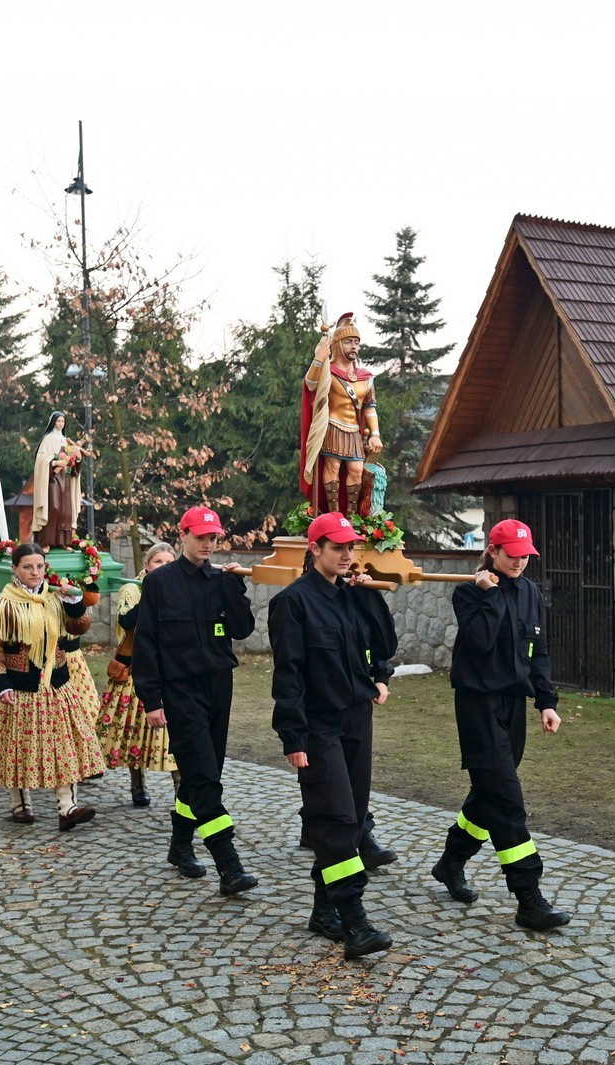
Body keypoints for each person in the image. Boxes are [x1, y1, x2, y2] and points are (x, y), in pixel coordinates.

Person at [430, 519, 569, 932]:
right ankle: (529, 896)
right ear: (493, 551)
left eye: (526, 555)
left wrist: (546, 702)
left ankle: (451, 862)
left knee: (489, 791)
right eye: (512, 554)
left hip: (512, 704)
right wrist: (489, 595)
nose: (520, 562)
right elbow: (479, 642)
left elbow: (537, 650)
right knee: (507, 800)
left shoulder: (530, 592)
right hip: (477, 704)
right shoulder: (468, 593)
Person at [270, 512, 398, 958]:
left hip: (357, 719)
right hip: (318, 725)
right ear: (315, 549)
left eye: (350, 547)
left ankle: (323, 911)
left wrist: (370, 597)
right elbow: (288, 674)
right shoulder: (293, 602)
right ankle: (355, 922)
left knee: (354, 816)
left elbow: (384, 647)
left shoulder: (353, 595)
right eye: (337, 547)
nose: (346, 555)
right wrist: (293, 736)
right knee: (336, 817)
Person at [135, 508, 260, 896]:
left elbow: (242, 628)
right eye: (201, 536)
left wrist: (235, 588)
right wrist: (151, 698)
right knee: (204, 774)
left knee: (203, 771)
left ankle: (179, 845)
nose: (207, 544)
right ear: (183, 535)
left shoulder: (221, 579)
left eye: (213, 538)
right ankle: (228, 864)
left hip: (219, 685)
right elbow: (146, 643)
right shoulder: (160, 582)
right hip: (180, 689)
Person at [0, 543, 105, 830]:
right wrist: (0, 681)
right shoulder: (3, 604)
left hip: (56, 683)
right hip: (19, 686)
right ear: (15, 569)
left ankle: (67, 807)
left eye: (39, 566)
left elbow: (79, 627)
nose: (35, 572)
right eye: (28, 567)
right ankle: (21, 804)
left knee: (64, 745)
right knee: (17, 746)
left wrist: (75, 603)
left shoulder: (54, 598)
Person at [99, 542, 178, 809]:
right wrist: (152, 593)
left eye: (169, 563)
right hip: (135, 669)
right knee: (134, 730)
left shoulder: (179, 588)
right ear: (147, 565)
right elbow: (127, 622)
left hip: (169, 670)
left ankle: (182, 789)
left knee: (173, 733)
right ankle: (137, 784)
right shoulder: (132, 589)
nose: (164, 567)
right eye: (158, 562)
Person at [300, 313, 382, 518]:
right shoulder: (329, 371)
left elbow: (369, 407)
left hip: (354, 431)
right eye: (348, 342)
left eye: (356, 342)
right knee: (333, 466)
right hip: (332, 426)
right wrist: (319, 359)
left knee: (356, 470)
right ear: (337, 345)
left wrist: (375, 434)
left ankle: (351, 517)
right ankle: (334, 515)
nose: (354, 346)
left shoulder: (365, 378)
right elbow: (310, 384)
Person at [31, 412, 83, 548]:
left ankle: (63, 542)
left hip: (66, 479)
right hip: (52, 480)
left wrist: (78, 458)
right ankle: (46, 543)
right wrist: (55, 463)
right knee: (53, 508)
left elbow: (73, 464)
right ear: (53, 422)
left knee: (65, 511)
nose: (61, 424)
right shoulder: (48, 439)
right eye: (58, 421)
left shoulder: (66, 441)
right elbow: (41, 459)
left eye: (63, 421)